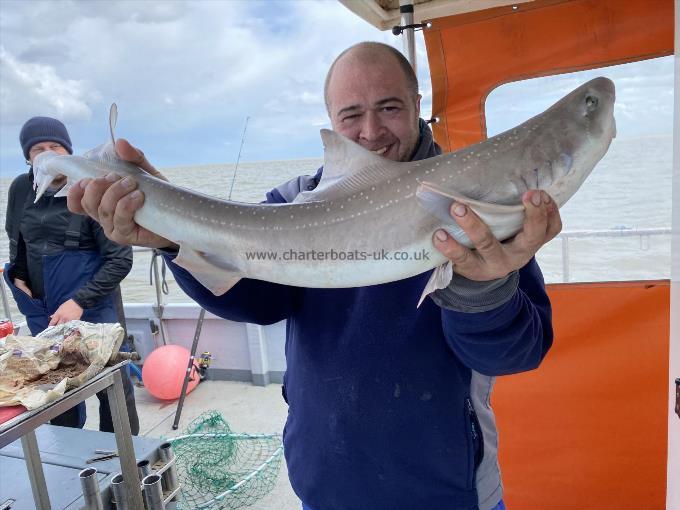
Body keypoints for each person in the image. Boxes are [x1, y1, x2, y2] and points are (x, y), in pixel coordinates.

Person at [68, 42, 560, 509]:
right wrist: (170, 236)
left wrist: (483, 286)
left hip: (448, 486)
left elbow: (515, 353)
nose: (370, 131)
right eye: (351, 115)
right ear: (330, 121)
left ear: (416, 104)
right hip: (325, 475)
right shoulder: (294, 204)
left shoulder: (474, 203)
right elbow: (257, 302)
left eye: (389, 107)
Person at [4, 116, 140, 435]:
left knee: (114, 387)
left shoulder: (93, 187)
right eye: (38, 149)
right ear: (27, 156)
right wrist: (20, 281)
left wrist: (78, 302)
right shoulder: (21, 189)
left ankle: (126, 454)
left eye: (56, 147)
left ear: (69, 151)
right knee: (55, 388)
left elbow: (120, 259)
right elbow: (16, 242)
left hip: (94, 308)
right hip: (43, 312)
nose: (48, 154)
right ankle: (69, 453)